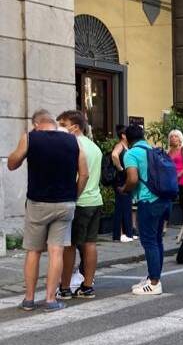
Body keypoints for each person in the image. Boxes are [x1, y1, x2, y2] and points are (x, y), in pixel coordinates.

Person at [9, 110, 87, 312]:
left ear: (36, 124)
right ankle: (51, 299)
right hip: (65, 203)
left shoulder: (30, 138)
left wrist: (24, 147)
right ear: (53, 123)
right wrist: (74, 196)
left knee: (33, 251)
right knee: (56, 252)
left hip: (38, 203)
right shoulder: (73, 141)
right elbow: (84, 174)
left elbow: (12, 163)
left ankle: (28, 299)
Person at [56, 110, 103, 300]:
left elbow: (79, 175)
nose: (60, 129)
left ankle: (65, 287)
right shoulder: (95, 147)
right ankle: (87, 286)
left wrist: (72, 196)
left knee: (69, 246)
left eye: (63, 125)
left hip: (79, 200)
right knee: (90, 244)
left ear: (74, 127)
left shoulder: (72, 146)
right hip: (95, 200)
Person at [121, 124, 171, 295]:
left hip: (148, 201)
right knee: (157, 240)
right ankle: (153, 277)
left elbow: (133, 178)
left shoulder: (131, 153)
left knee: (149, 241)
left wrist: (125, 188)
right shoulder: (153, 150)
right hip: (164, 199)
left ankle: (154, 283)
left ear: (126, 139)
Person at [110, 125, 136, 242]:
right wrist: (120, 168)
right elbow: (114, 155)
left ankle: (127, 232)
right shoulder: (120, 145)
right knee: (121, 206)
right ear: (123, 135)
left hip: (125, 178)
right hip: (120, 180)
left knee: (126, 205)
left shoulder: (126, 146)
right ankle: (119, 234)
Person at [167, 129, 183, 222]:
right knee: (169, 201)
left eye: (176, 136)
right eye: (171, 136)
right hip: (172, 180)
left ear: (180, 139)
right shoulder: (169, 152)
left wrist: (179, 174)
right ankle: (169, 223)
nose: (173, 138)